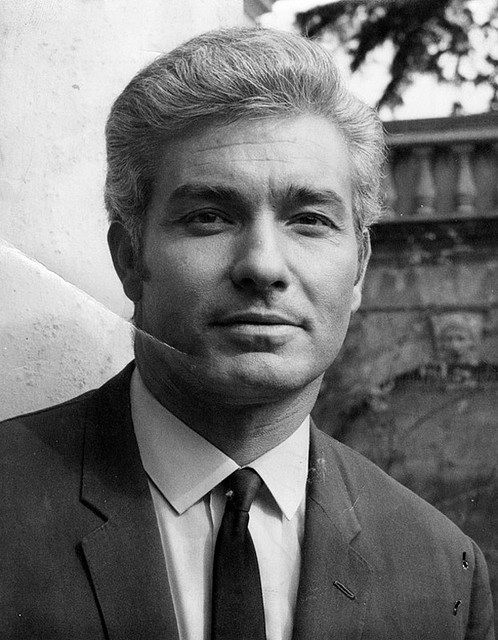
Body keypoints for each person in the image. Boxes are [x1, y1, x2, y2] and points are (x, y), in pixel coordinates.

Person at [0, 27, 494, 640]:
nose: (262, 265)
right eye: (209, 217)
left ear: (360, 268)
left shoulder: (443, 571)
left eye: (309, 220)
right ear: (129, 257)